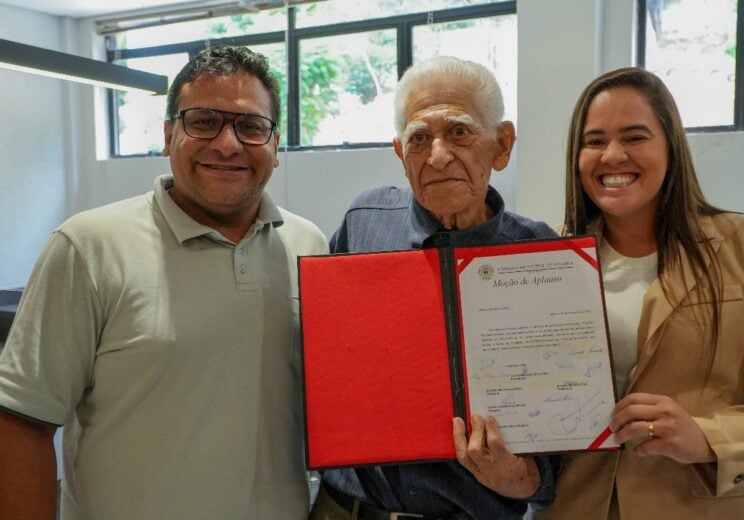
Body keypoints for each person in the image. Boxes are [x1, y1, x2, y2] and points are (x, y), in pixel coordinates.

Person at [0, 46, 328, 519]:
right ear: (169, 134)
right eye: (203, 122)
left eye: (251, 127)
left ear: (275, 148)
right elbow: (21, 422)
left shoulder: (307, 246)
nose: (228, 143)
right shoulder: (88, 246)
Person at [309, 56, 558, 520]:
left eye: (459, 132)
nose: (438, 156)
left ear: (501, 145)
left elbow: (566, 408)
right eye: (419, 138)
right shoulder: (364, 224)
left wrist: (525, 479)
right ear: (401, 155)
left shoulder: (540, 256)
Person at [534, 67, 744, 519]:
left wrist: (707, 435)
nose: (612, 155)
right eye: (594, 141)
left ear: (671, 145)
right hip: (575, 507)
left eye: (635, 136)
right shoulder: (543, 259)